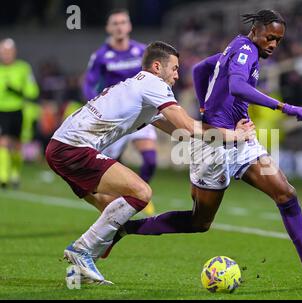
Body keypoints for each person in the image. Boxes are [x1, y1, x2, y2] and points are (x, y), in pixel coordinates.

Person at [107, 10, 302, 288]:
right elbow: (236, 86)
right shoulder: (246, 50)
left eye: (278, 40)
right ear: (256, 31)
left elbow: (201, 69)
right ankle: (124, 229)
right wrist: (283, 106)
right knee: (199, 222)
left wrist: (203, 105)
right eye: (269, 37)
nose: (273, 44)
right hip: (214, 145)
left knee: (286, 194)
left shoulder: (238, 48)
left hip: (242, 140)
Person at [45, 41, 254, 284]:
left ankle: (81, 270)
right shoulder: (153, 84)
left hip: (59, 146)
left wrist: (221, 138)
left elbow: (182, 133)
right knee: (141, 192)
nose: (178, 74)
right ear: (157, 66)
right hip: (73, 148)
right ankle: (82, 250)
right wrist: (234, 135)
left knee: (111, 208)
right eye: (174, 68)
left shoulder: (140, 88)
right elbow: (187, 125)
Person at [83, 9, 158, 214]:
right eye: (114, 23)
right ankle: (121, 200)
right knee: (110, 166)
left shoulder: (142, 52)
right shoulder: (100, 55)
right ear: (108, 28)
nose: (119, 26)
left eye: (123, 22)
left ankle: (141, 194)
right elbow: (89, 84)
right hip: (114, 117)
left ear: (129, 26)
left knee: (150, 159)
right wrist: (96, 106)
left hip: (141, 113)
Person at [0, 38, 39, 189]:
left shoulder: (23, 68)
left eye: (8, 52)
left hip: (18, 109)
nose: (6, 55)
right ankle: (3, 176)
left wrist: (17, 90)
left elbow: (33, 90)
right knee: (3, 141)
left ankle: (15, 173)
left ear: (14, 52)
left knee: (16, 144)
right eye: (3, 52)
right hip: (1, 110)